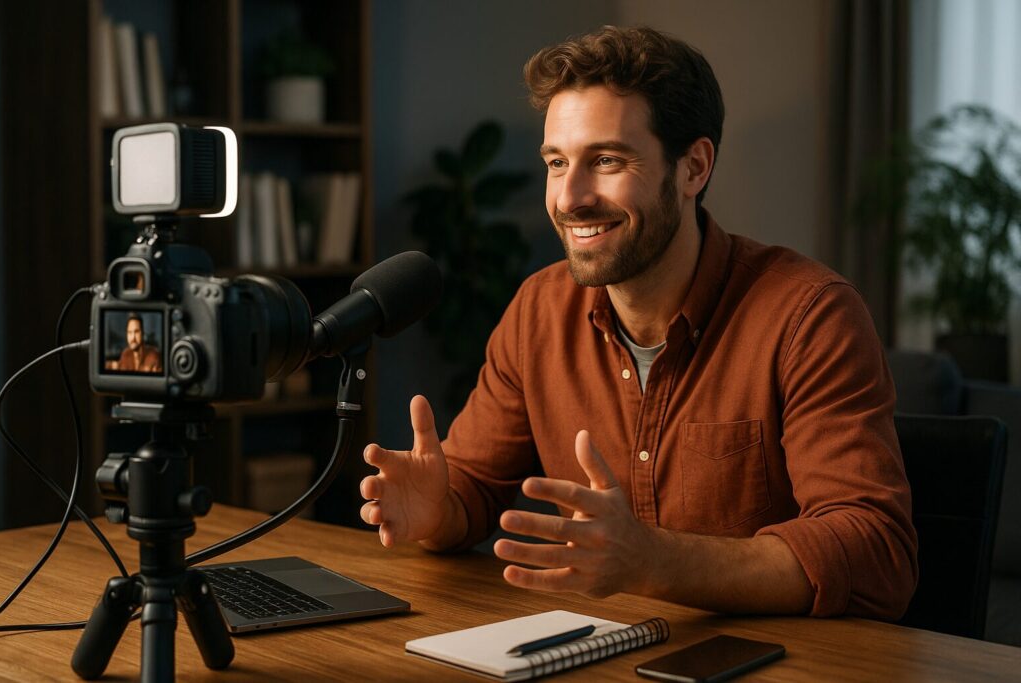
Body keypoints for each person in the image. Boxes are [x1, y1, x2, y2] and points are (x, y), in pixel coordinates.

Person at [359, 25, 918, 619]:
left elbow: (874, 551)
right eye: (556, 163)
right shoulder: (539, 310)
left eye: (605, 160)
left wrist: (652, 561)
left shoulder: (809, 316)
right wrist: (438, 510)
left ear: (693, 168)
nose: (569, 197)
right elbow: (471, 485)